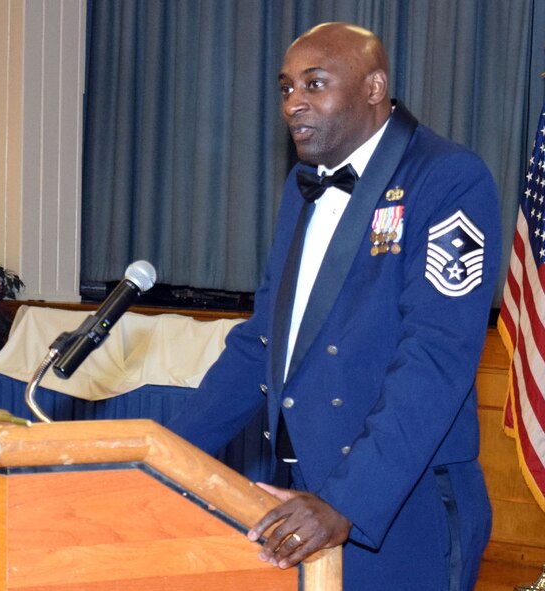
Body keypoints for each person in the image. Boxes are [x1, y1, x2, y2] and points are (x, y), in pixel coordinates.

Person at [166, 22, 501, 590]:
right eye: (286, 88)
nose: (293, 102)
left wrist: (346, 501)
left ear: (373, 88)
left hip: (396, 509)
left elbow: (435, 361)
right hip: (297, 499)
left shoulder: (447, 178)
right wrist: (166, 458)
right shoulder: (304, 184)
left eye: (314, 84)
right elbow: (262, 344)